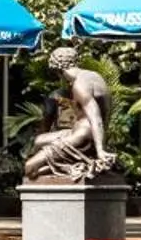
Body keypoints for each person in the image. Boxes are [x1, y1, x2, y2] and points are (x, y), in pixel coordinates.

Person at [23, 46, 114, 182]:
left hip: (83, 137)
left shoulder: (80, 86)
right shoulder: (94, 76)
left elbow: (96, 119)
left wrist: (100, 150)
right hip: (78, 132)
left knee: (29, 167)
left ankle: (66, 168)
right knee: (39, 141)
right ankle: (55, 167)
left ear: (58, 71)